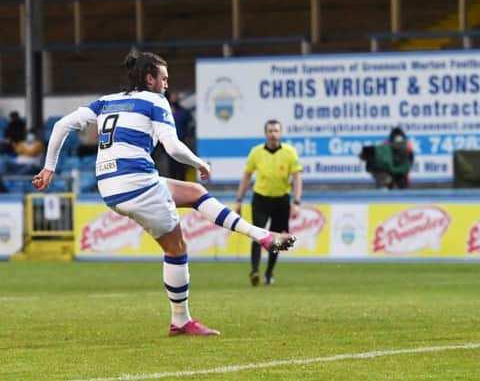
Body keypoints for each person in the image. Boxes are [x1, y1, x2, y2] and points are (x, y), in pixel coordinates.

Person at [32, 51, 296, 336]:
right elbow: (172, 147)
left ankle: (261, 235)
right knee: (176, 248)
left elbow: (61, 125)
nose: (167, 84)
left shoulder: (106, 101)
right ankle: (181, 320)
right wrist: (199, 162)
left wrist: (49, 168)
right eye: (164, 78)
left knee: (195, 192)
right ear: (150, 78)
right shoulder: (156, 102)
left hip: (109, 185)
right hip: (138, 183)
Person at [235, 119, 303, 286]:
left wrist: (297, 201)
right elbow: (246, 176)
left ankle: (269, 272)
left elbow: (297, 178)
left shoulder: (290, 152)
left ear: (280, 133)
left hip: (281, 200)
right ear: (266, 133)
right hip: (261, 199)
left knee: (278, 238)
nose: (273, 134)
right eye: (270, 131)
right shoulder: (256, 152)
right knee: (257, 235)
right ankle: (255, 271)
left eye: (276, 131)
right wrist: (239, 199)